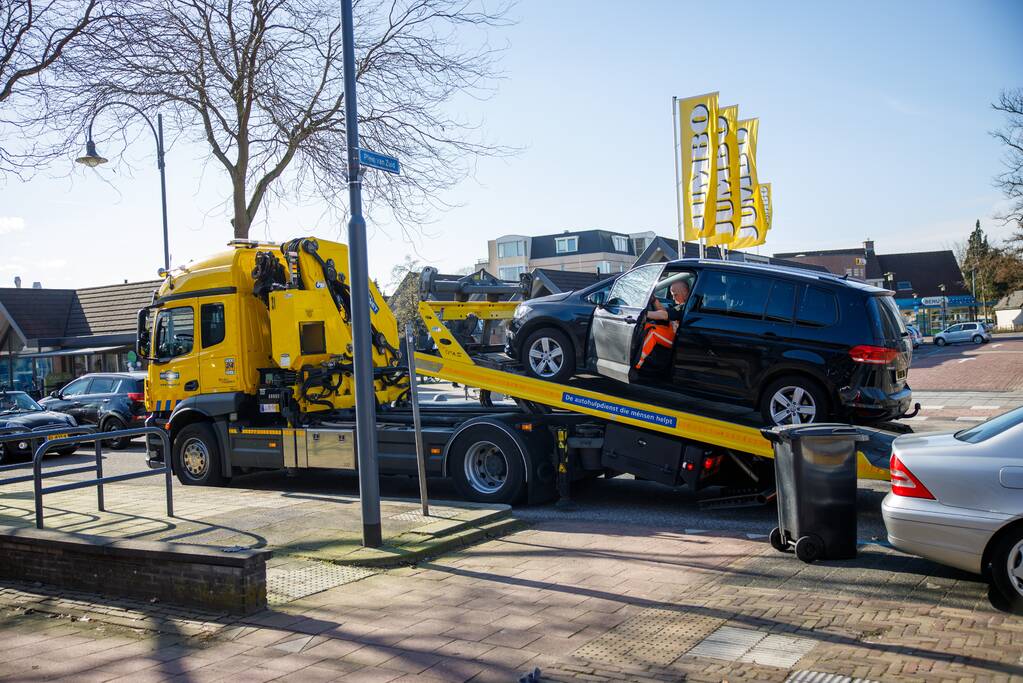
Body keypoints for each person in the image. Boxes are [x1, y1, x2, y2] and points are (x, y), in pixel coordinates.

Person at [635, 280, 690, 370]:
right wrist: (654, 300)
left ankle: (638, 364)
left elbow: (664, 315)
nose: (673, 298)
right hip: (670, 333)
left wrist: (644, 314)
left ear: (685, 292)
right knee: (647, 326)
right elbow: (665, 312)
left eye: (675, 295)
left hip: (676, 339)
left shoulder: (685, 307)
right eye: (672, 295)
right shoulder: (680, 305)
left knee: (653, 332)